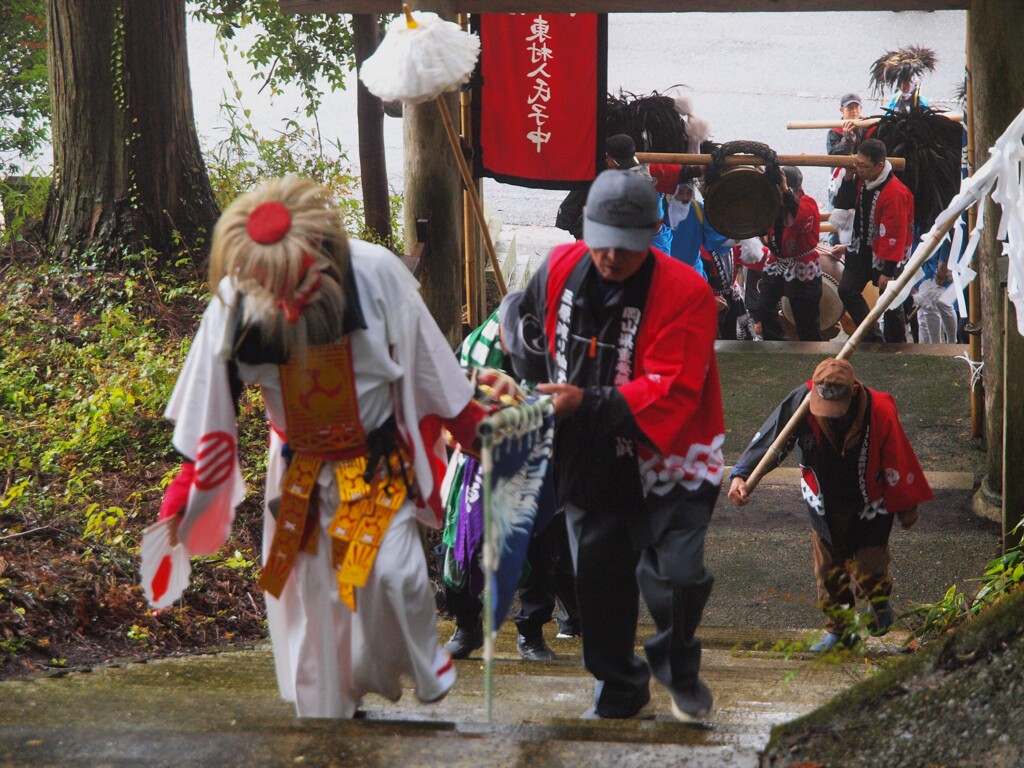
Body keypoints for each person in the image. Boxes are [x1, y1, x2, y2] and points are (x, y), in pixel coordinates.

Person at [151, 176, 495, 718]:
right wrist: (184, 493)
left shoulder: (375, 273)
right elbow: (210, 411)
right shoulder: (235, 301)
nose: (285, 299)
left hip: (376, 467)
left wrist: (479, 433)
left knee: (393, 577)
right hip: (301, 474)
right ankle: (333, 704)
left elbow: (433, 370)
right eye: (271, 284)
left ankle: (387, 668)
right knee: (321, 599)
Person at [515, 169, 726, 722]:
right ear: (586, 227)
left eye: (627, 247)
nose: (611, 257)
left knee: (677, 578)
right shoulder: (559, 266)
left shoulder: (686, 291)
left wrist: (583, 401)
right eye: (603, 242)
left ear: (652, 235)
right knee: (599, 579)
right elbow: (525, 323)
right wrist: (525, 385)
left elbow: (673, 388)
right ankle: (619, 687)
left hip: (670, 456)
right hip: (588, 451)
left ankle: (677, 665)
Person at [727, 358, 933, 652]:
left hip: (871, 500)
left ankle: (878, 603)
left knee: (870, 567)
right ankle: (840, 630)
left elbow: (898, 455)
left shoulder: (879, 408)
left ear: (853, 392)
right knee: (828, 572)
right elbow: (773, 435)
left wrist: (907, 504)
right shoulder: (802, 399)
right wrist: (742, 474)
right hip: (824, 501)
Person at [440, 292, 580, 662]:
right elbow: (443, 399)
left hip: (538, 458)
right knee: (460, 545)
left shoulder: (561, 350)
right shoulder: (474, 349)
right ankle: (466, 626)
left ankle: (531, 633)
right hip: (474, 462)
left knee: (540, 546)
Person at [833, 138, 914, 343]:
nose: (859, 170)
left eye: (864, 166)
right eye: (857, 164)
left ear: (879, 166)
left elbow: (896, 234)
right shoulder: (861, 179)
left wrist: (888, 270)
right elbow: (842, 203)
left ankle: (896, 345)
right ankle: (872, 337)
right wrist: (849, 175)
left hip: (887, 255)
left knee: (891, 303)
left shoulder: (895, 192)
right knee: (847, 290)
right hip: (861, 249)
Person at [756, 166, 823, 342]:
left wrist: (786, 191)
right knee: (764, 307)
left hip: (802, 264)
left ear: (798, 190)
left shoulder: (808, 204)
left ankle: (811, 350)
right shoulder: (774, 203)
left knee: (805, 318)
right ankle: (777, 343)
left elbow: (800, 220)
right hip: (777, 261)